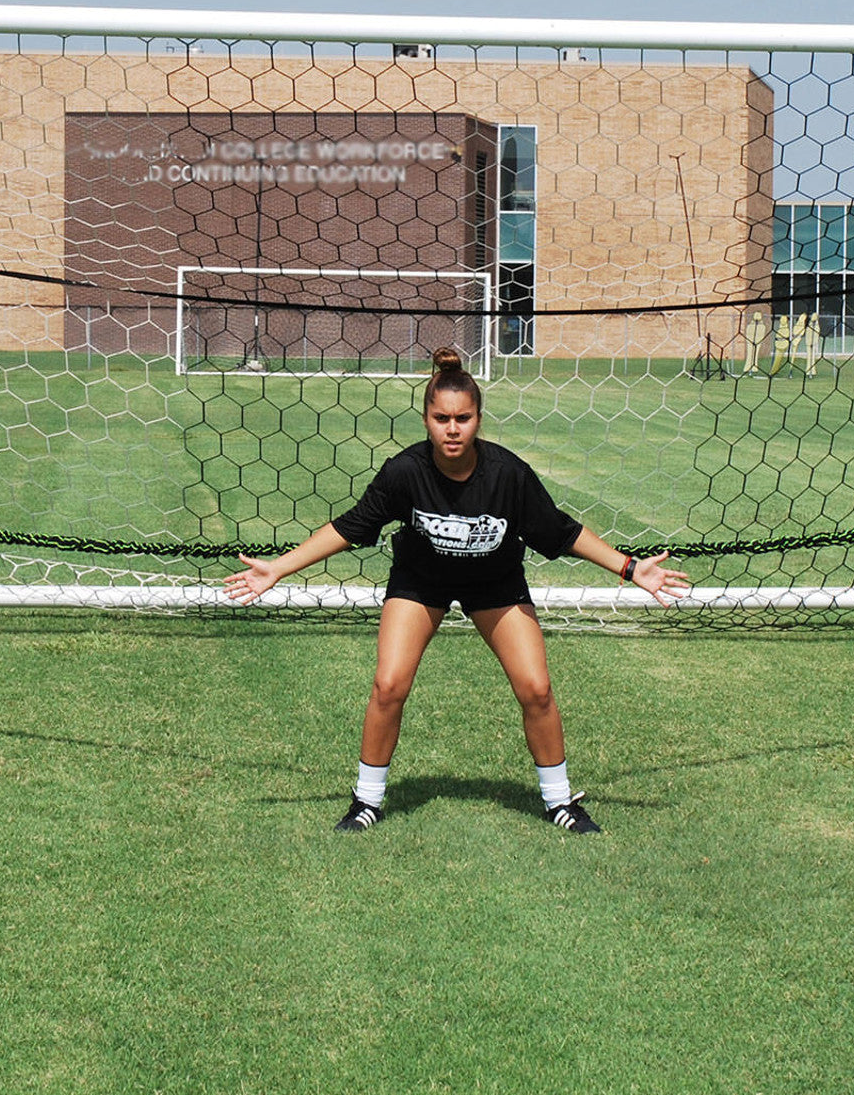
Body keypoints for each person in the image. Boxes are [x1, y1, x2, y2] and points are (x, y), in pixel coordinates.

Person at [224, 347, 691, 833]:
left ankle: (559, 802)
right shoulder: (405, 471)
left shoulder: (508, 474)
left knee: (536, 689)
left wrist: (630, 567)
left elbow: (559, 531)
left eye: (462, 419)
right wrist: (278, 568)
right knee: (388, 685)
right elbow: (352, 525)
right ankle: (367, 800)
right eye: (441, 418)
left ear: (478, 421)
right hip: (420, 582)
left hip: (495, 584)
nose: (452, 429)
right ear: (426, 420)